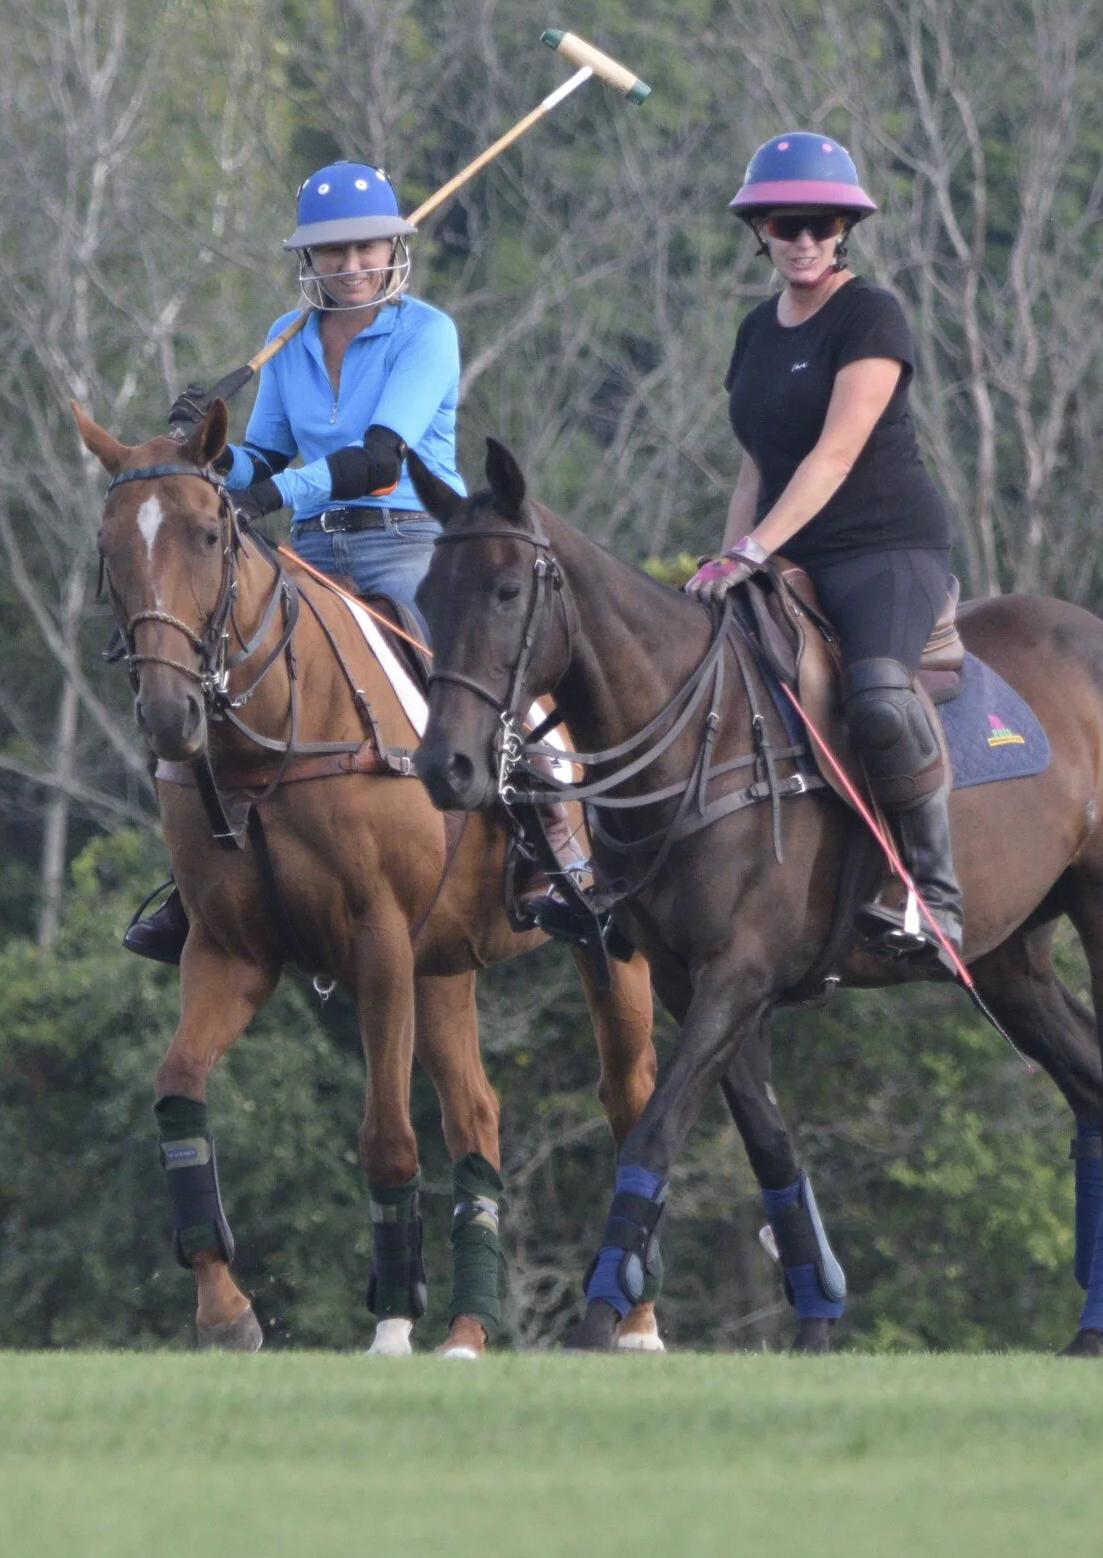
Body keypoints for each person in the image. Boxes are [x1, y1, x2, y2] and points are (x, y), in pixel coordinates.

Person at [124, 160, 589, 961]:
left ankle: (553, 840)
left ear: (392, 247)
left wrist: (268, 495)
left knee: (467, 670)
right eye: (333, 253)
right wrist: (205, 445)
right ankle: (201, 873)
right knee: (220, 672)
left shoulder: (427, 333)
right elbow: (263, 460)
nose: (351, 266)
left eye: (365, 247)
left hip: (411, 541)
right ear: (310, 260)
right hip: (310, 553)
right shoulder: (290, 336)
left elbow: (380, 455)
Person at [688, 131, 962, 963]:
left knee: (878, 696)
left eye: (820, 223)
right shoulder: (754, 329)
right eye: (784, 224)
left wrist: (754, 552)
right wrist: (729, 556)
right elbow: (757, 464)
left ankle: (937, 897)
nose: (803, 239)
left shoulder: (871, 314)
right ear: (760, 231)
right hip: (783, 553)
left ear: (844, 229)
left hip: (885, 549)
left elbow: (832, 455)